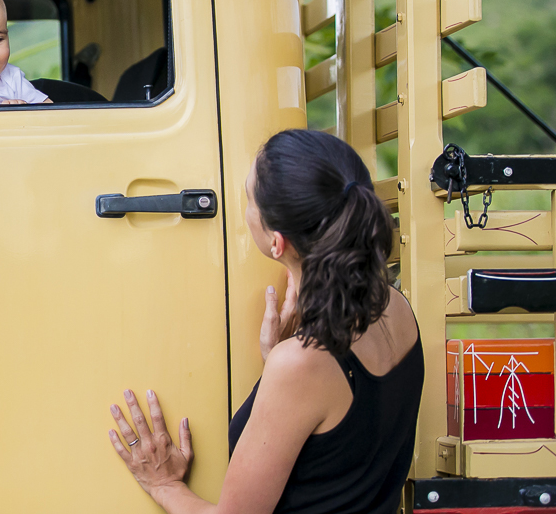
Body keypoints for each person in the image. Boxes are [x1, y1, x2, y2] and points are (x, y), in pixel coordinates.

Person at [107, 129, 423, 514]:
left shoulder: (302, 364)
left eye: (249, 199)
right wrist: (281, 356)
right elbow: (344, 452)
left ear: (277, 242)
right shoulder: (394, 307)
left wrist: (164, 484)